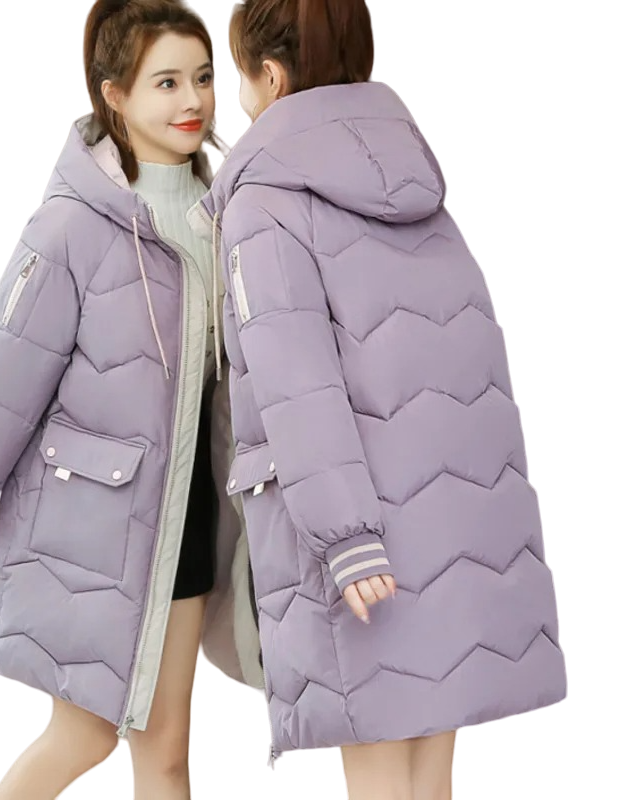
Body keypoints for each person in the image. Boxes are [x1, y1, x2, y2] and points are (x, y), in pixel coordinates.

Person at [185, 0, 568, 796]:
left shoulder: (263, 203)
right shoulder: (416, 191)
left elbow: (296, 383)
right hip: (453, 526)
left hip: (364, 545)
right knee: (428, 779)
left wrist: (347, 537)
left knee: (383, 779)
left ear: (271, 76)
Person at [0, 2, 231, 797]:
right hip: (99, 527)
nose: (192, 100)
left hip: (189, 519)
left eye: (202, 77)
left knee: (166, 753)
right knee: (84, 735)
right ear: (114, 95)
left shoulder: (228, 213)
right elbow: (6, 369)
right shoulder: (72, 226)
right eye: (166, 82)